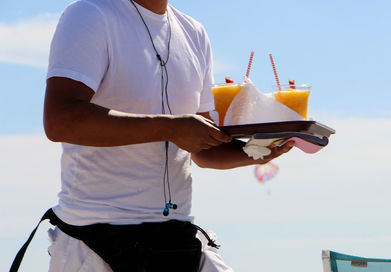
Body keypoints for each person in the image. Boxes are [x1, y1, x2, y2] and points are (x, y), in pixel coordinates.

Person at [39, 0, 294, 271]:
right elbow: (60, 120)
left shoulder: (194, 33)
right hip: (93, 242)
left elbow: (203, 148)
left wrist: (258, 151)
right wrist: (171, 128)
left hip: (177, 238)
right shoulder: (90, 14)